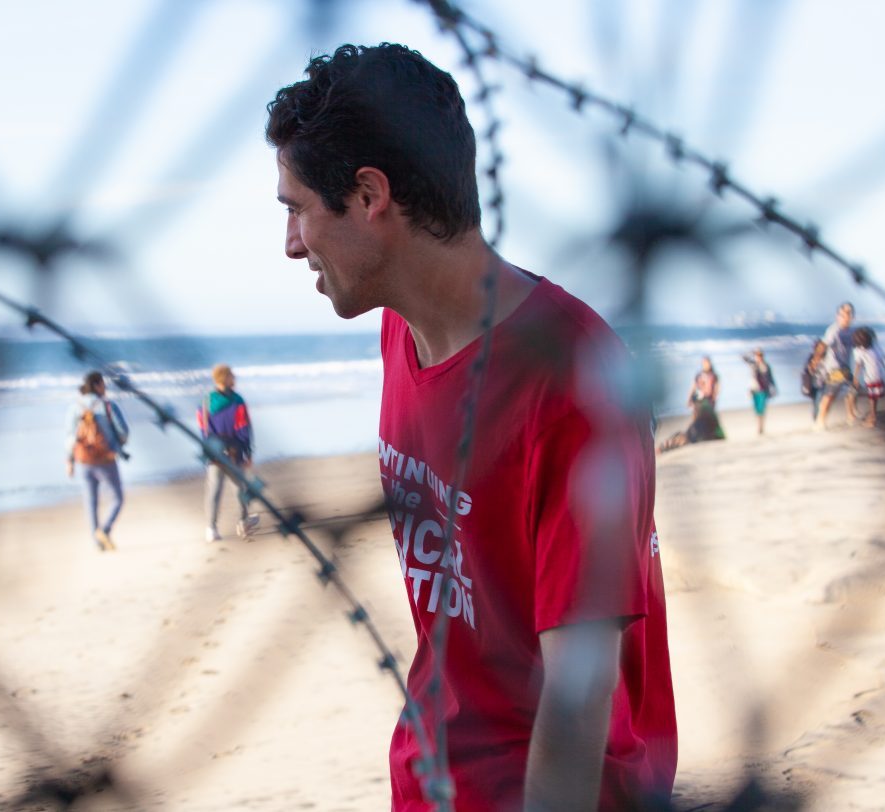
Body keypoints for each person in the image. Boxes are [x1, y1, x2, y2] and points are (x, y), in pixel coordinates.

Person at [267, 43, 675, 810]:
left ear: (368, 195)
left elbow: (578, 698)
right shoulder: (398, 331)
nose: (291, 242)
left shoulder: (573, 381)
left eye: (296, 209)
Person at [65, 371, 129, 551]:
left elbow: (70, 437)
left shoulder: (74, 407)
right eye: (103, 384)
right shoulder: (107, 406)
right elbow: (123, 432)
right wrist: (118, 446)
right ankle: (105, 530)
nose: (105, 388)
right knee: (117, 498)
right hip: (105, 459)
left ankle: (97, 542)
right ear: (96, 385)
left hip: (83, 459)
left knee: (90, 501)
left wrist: (69, 460)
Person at [196, 363, 260, 541]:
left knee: (214, 490)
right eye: (232, 376)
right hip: (234, 451)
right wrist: (248, 452)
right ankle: (243, 522)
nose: (235, 379)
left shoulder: (205, 401)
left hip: (214, 452)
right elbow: (243, 428)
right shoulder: (237, 401)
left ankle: (211, 528)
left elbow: (203, 428)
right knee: (240, 487)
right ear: (227, 378)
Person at [816, 302, 856, 429]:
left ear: (852, 317)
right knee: (830, 395)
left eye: (848, 314)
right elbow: (823, 345)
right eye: (843, 314)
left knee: (852, 391)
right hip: (834, 368)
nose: (845, 317)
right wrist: (815, 360)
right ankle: (820, 421)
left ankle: (851, 417)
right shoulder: (834, 330)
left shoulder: (851, 331)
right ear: (838, 316)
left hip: (845, 367)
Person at [851, 326, 885, 428]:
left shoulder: (860, 351)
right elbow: (884, 358)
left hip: (871, 377)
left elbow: (858, 365)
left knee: (871, 398)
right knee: (874, 398)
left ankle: (872, 418)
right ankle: (872, 416)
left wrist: (855, 378)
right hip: (881, 375)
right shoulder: (875, 347)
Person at [741, 348, 777, 435]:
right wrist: (751, 352)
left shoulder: (766, 366)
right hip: (754, 390)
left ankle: (761, 427)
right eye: (757, 355)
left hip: (763, 390)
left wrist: (774, 388)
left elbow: (770, 378)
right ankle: (759, 426)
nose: (759, 357)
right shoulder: (753, 364)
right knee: (757, 410)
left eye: (760, 355)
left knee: (762, 409)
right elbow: (743, 357)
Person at [801, 340, 828, 421]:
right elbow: (807, 369)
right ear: (816, 348)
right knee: (816, 402)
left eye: (823, 348)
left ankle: (818, 419)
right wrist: (812, 367)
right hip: (813, 383)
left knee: (820, 401)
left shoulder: (827, 357)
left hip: (824, 382)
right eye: (820, 348)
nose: (822, 349)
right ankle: (816, 419)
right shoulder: (811, 357)